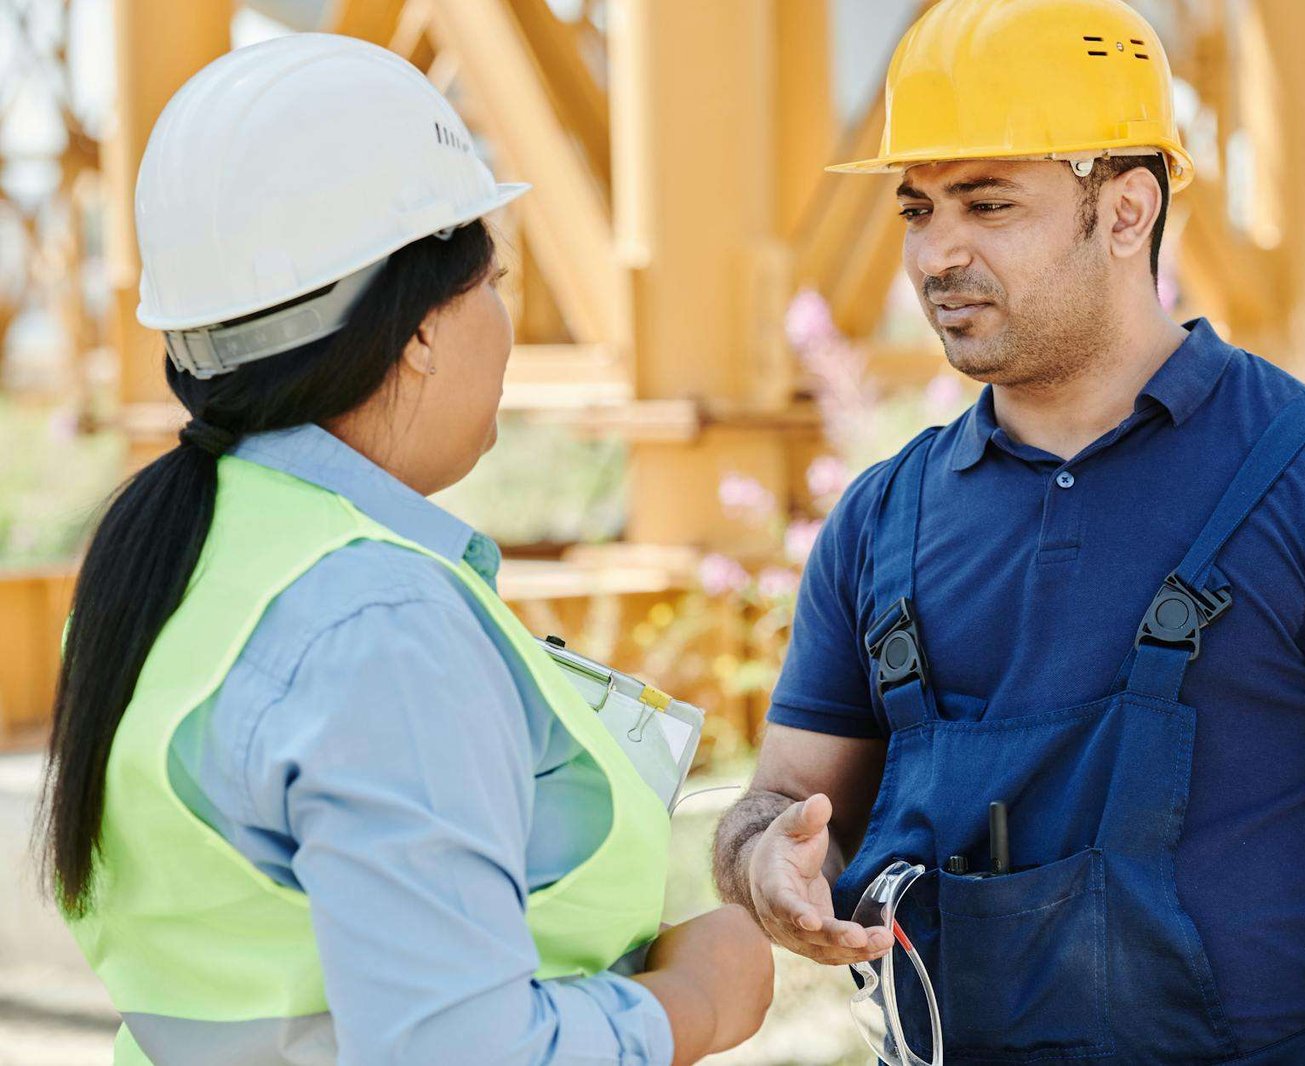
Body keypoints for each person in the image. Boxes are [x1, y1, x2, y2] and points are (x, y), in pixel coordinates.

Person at [713, 1, 1305, 1063]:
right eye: (917, 209)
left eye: (988, 202)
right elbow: (775, 802)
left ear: (1127, 208)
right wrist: (761, 861)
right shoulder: (882, 520)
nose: (935, 253)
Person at [38, 33, 771, 1066]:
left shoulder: (179, 559)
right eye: (492, 282)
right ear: (419, 327)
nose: (505, 324)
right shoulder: (375, 620)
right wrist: (696, 1000)